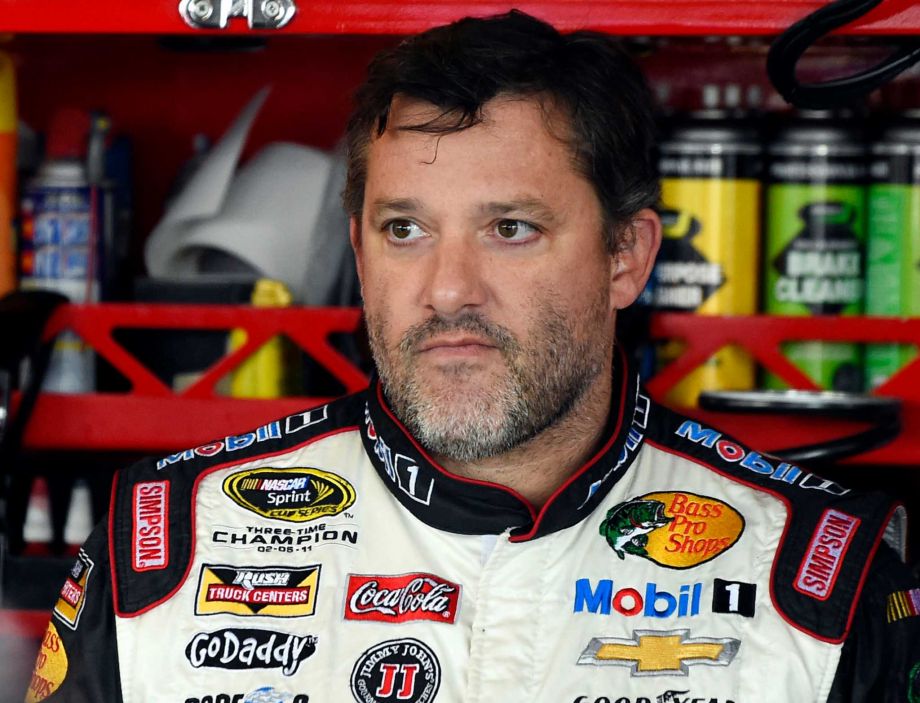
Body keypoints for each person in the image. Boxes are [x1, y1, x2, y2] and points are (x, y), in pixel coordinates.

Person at [26, 10, 920, 703]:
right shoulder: (159, 550)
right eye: (405, 229)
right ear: (358, 248)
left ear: (628, 256)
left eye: (511, 228)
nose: (449, 288)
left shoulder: (821, 581)